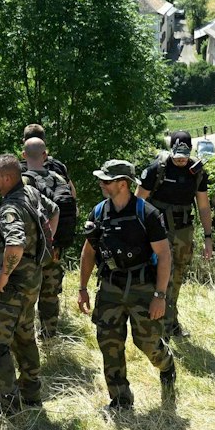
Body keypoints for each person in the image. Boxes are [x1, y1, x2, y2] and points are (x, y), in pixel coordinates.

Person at [77, 159, 175, 413]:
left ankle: (166, 364)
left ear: (123, 184)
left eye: (106, 180)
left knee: (147, 343)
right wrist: (82, 288)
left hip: (143, 286)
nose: (101, 183)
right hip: (110, 286)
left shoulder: (147, 214)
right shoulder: (98, 213)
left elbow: (164, 255)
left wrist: (160, 296)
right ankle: (120, 400)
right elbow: (88, 253)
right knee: (109, 343)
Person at [0, 154, 47, 415]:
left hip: (13, 287)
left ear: (7, 178)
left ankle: (8, 405)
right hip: (32, 281)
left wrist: (4, 275)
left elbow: (15, 244)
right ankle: (31, 396)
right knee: (24, 337)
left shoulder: (10, 208)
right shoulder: (30, 193)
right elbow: (52, 212)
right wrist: (45, 250)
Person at [137, 131, 213, 337]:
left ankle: (169, 320)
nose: (181, 161)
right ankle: (162, 325)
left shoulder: (197, 172)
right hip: (159, 232)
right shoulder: (157, 169)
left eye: (185, 156)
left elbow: (204, 207)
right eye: (177, 156)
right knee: (163, 276)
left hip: (184, 232)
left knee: (177, 277)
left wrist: (208, 237)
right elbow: (138, 203)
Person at [22, 136, 77, 334]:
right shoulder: (59, 178)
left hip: (30, 248)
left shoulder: (22, 180)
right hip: (55, 246)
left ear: (23, 155)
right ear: (45, 155)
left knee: (26, 292)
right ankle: (49, 332)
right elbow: (73, 208)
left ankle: (25, 334)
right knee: (50, 292)